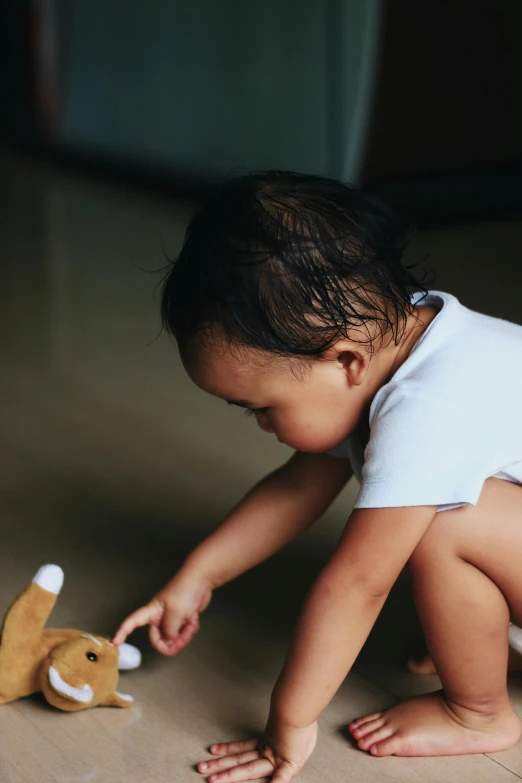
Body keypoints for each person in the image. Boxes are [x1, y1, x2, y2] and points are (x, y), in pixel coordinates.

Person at [112, 171, 522, 781]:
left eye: (264, 407)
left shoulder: (427, 411)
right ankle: (490, 642)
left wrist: (290, 721)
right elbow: (296, 488)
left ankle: (480, 712)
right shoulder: (389, 339)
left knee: (446, 522)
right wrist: (198, 578)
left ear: (346, 361)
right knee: (447, 515)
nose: (259, 425)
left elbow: (357, 585)